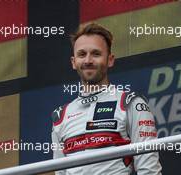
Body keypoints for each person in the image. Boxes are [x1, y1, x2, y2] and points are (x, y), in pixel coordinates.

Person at [51, 23, 162, 175]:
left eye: (96, 54)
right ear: (73, 62)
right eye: (82, 54)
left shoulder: (131, 103)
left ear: (110, 60)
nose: (88, 60)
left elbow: (149, 170)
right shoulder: (60, 116)